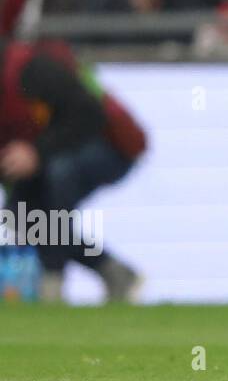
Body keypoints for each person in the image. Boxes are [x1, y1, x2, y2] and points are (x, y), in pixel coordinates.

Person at [0, 38, 145, 302]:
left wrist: (36, 152)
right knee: (20, 214)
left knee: (59, 175)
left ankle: (52, 281)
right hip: (53, 152)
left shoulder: (31, 69)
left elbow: (89, 113)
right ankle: (112, 270)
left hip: (110, 146)